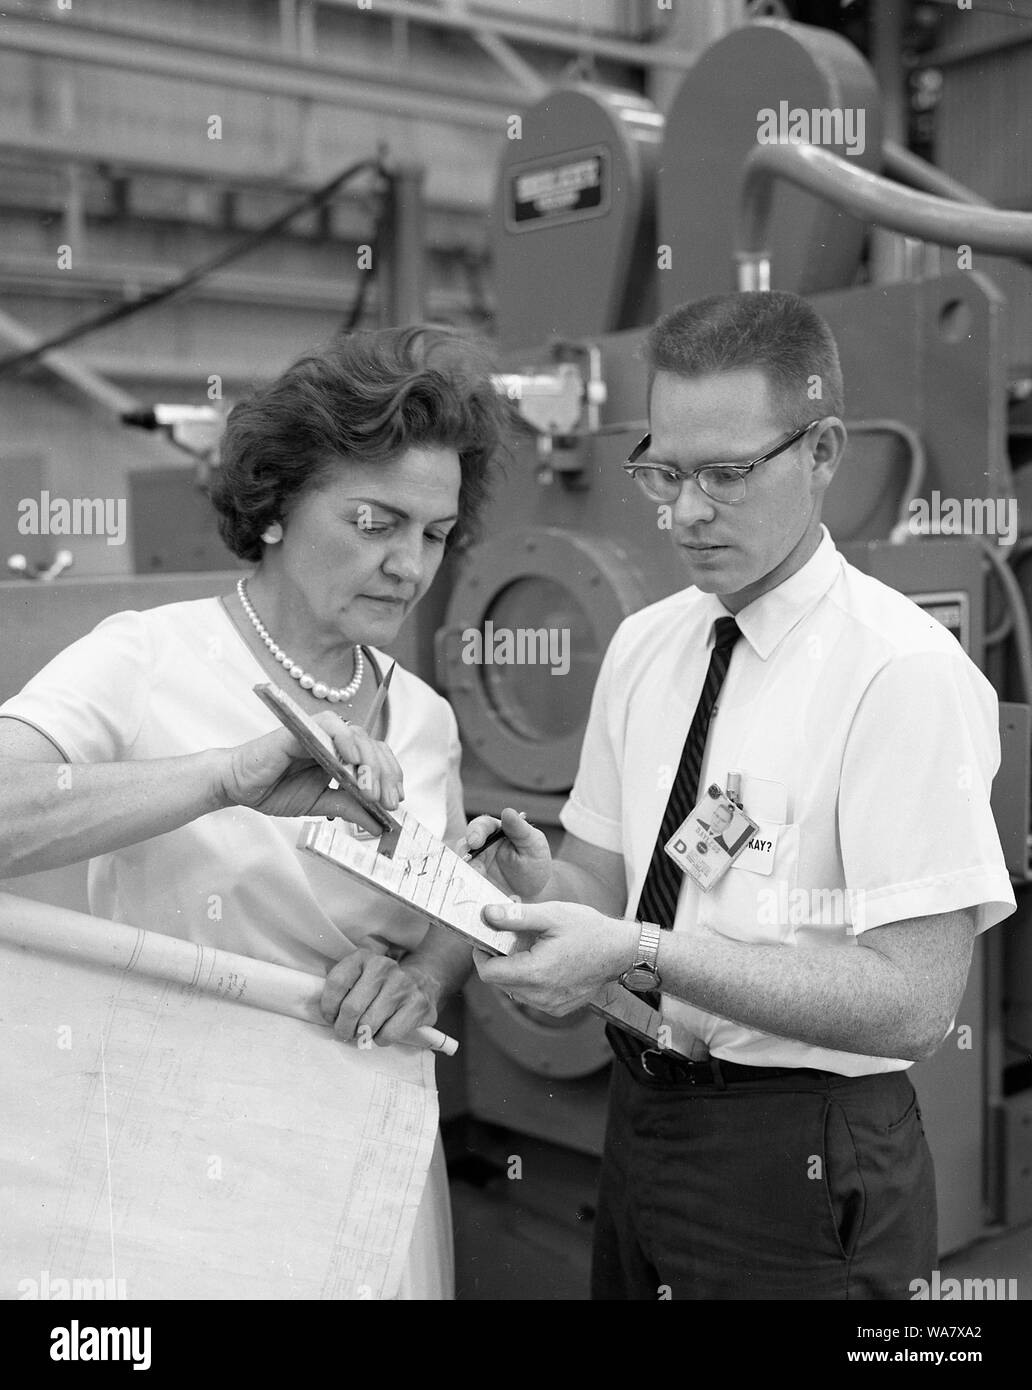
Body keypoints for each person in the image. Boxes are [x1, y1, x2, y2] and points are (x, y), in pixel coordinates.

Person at [466, 290, 1015, 1300]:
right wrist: (545, 888)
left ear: (823, 451)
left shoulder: (899, 672)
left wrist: (640, 948)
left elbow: (914, 1002)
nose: (686, 511)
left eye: (725, 474)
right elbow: (602, 872)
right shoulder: (645, 645)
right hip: (644, 1118)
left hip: (803, 1153)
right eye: (665, 473)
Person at [0, 325, 507, 1300]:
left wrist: (426, 976)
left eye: (435, 534)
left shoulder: (426, 719)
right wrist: (224, 776)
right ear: (275, 507)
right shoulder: (149, 659)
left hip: (363, 1147)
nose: (410, 563)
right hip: (170, 1158)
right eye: (375, 521)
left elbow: (445, 908)